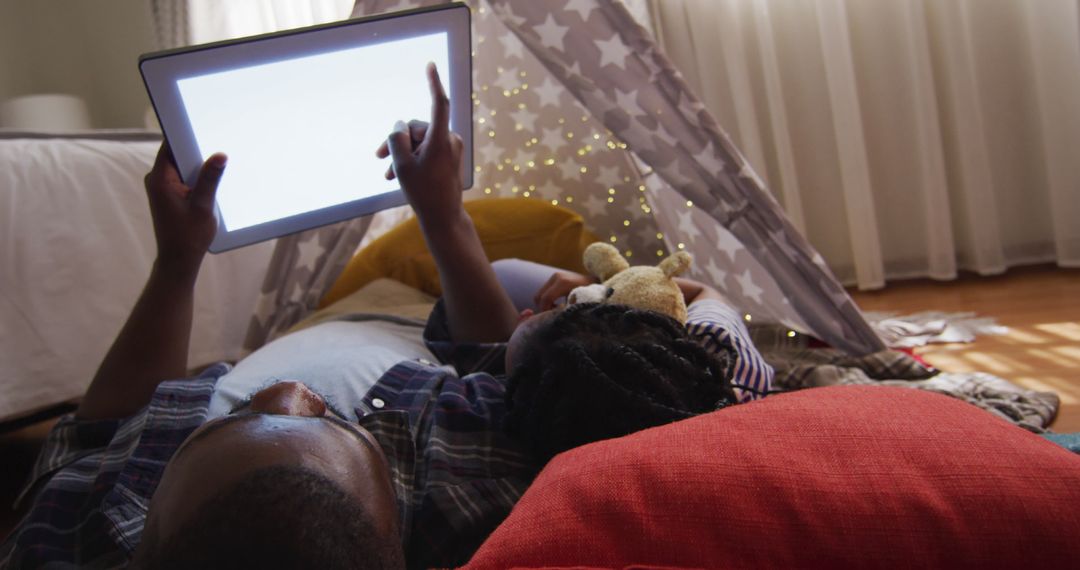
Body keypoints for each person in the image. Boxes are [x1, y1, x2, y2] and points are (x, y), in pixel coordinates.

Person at [0, 64, 772, 570]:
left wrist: (177, 262)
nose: (289, 394)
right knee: (519, 242)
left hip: (333, 313)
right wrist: (443, 217)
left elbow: (104, 427)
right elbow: (497, 351)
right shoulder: (485, 502)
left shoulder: (72, 542)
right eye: (336, 424)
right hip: (401, 316)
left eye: (233, 420)